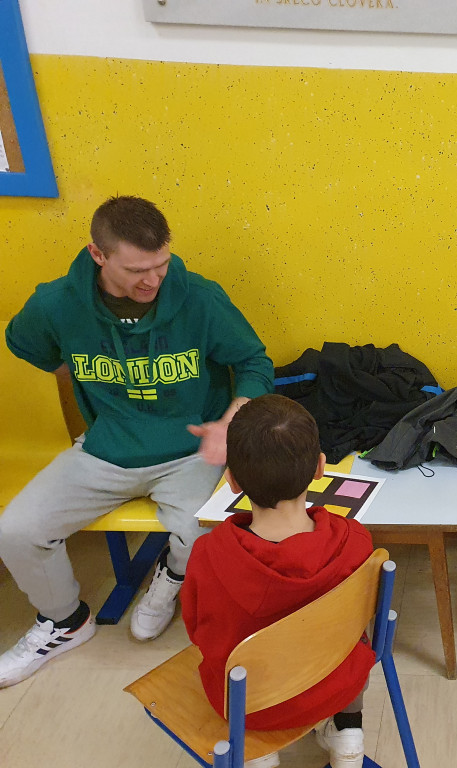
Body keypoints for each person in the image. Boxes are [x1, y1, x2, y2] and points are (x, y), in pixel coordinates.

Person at [0, 196, 273, 687]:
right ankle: (65, 622)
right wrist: (90, 381)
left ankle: (171, 576)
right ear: (98, 255)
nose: (153, 280)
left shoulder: (199, 298)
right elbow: (26, 344)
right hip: (105, 449)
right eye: (136, 270)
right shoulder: (56, 304)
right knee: (16, 530)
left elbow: (254, 362)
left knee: (206, 531)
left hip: (192, 449)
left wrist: (229, 423)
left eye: (161, 264)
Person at [182, 394, 373, 768]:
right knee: (352, 643)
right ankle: (347, 732)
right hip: (337, 684)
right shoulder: (355, 541)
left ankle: (259, 750)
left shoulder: (209, 555)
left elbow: (198, 631)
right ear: (320, 467)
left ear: (232, 481)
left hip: (250, 705)